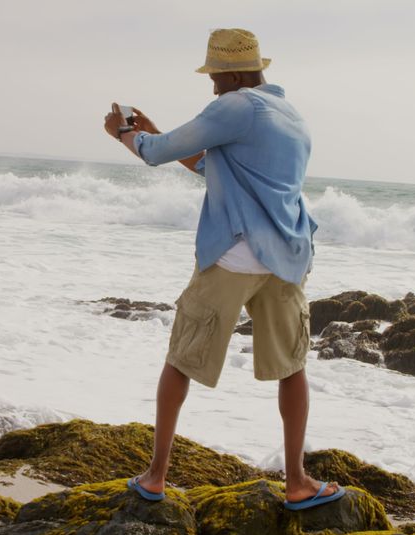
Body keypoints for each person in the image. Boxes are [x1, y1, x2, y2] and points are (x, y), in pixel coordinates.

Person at [103, 28, 342, 510]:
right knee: (291, 367)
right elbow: (209, 167)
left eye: (215, 77)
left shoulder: (235, 107)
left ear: (233, 74)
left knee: (181, 359)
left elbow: (153, 153)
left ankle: (155, 476)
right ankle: (297, 482)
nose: (212, 86)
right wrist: (156, 129)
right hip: (287, 255)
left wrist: (126, 133)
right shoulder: (289, 114)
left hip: (235, 252)